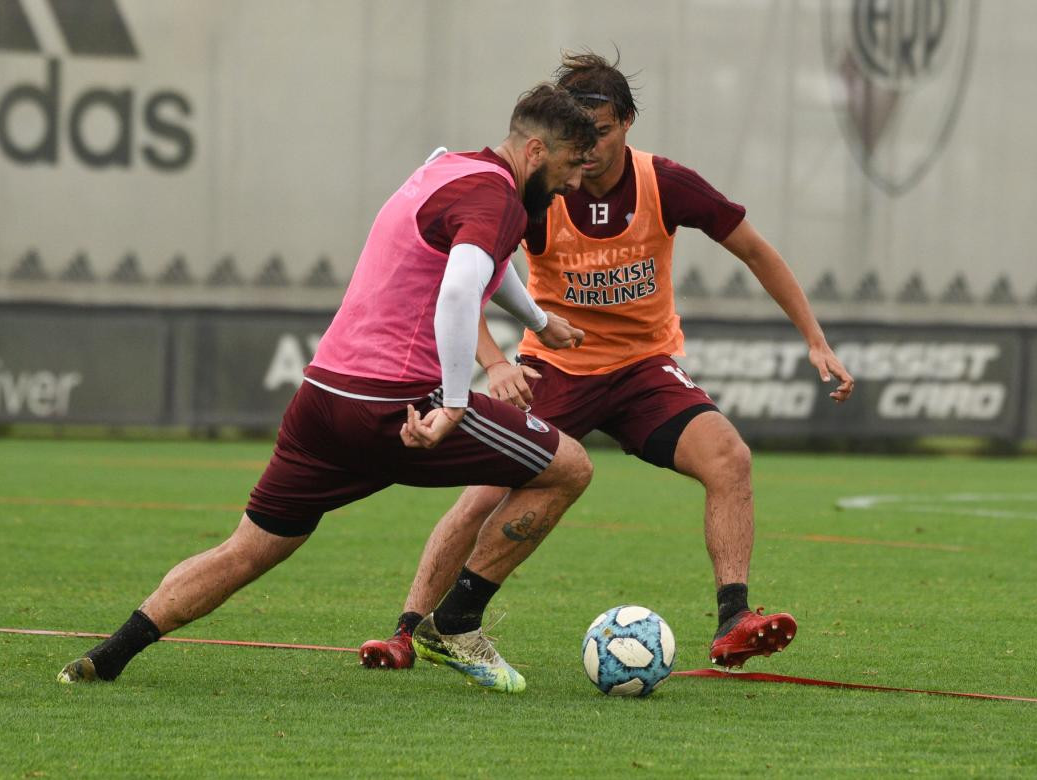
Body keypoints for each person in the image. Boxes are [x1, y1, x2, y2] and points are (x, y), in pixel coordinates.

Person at [56, 83, 601, 694]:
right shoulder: (497, 199)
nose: (574, 184)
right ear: (534, 151)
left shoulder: (446, 167)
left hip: (320, 399)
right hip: (393, 405)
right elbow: (456, 292)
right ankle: (454, 624)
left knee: (248, 549)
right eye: (572, 167)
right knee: (570, 468)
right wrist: (453, 402)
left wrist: (536, 321)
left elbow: (480, 266)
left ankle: (110, 656)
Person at [358, 51, 854, 672]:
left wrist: (815, 339)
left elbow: (755, 250)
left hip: (645, 369)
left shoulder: (664, 183)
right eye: (575, 135)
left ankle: (735, 619)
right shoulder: (534, 192)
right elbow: (465, 287)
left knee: (730, 458)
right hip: (557, 369)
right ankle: (407, 630)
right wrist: (494, 362)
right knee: (485, 491)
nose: (586, 149)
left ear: (627, 122)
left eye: (600, 131)